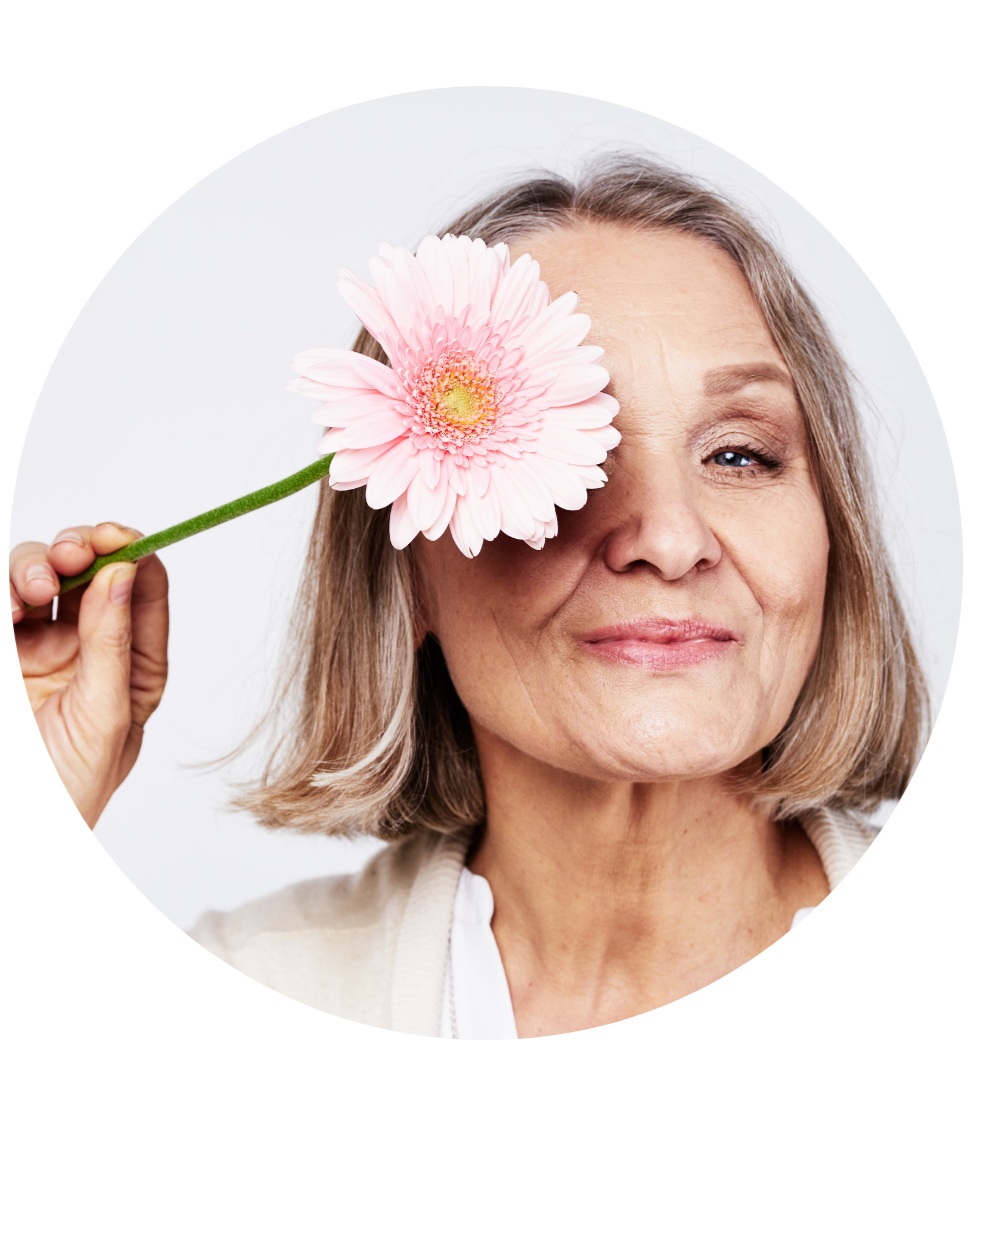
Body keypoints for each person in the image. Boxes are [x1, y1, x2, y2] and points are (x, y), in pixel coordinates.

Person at [11, 155, 928, 1037]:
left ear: (833, 538)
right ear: (408, 574)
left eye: (740, 454)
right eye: (581, 462)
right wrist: (32, 825)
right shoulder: (237, 996)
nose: (670, 539)